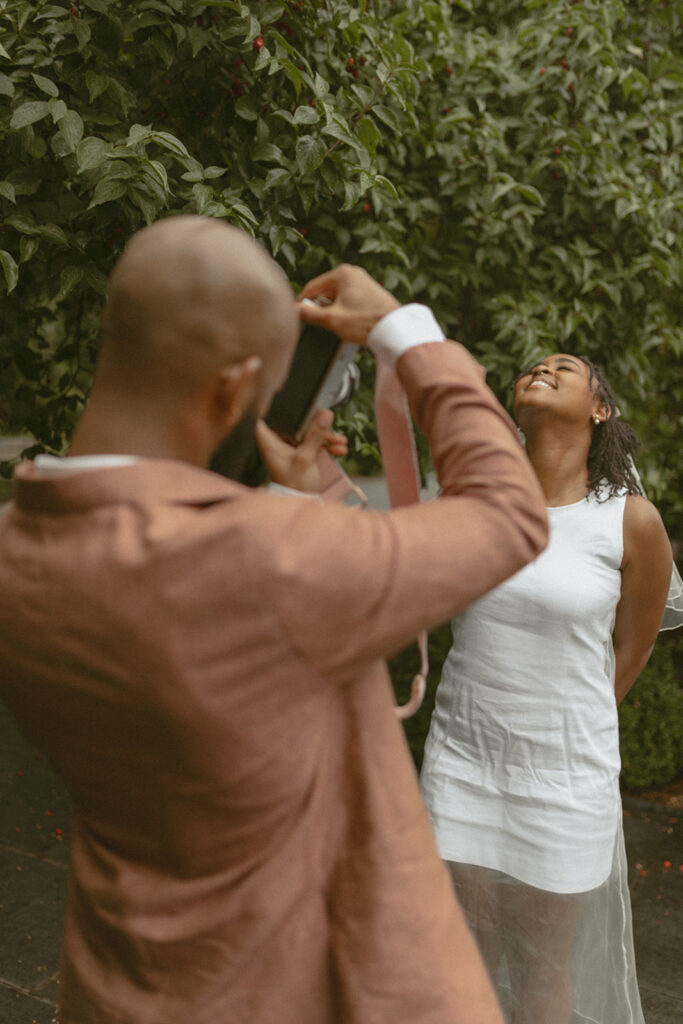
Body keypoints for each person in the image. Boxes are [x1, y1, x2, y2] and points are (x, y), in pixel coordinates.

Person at [0, 215, 548, 1024]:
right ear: (231, 388)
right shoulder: (264, 561)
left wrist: (294, 497)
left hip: (121, 986)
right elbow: (509, 513)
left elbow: (229, 670)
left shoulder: (20, 551)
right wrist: (404, 330)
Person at [420, 352, 673, 1024]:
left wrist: (571, 722)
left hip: (564, 777)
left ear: (600, 409)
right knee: (461, 960)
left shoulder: (627, 522)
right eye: (532, 365)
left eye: (564, 366)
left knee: (538, 969)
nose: (542, 367)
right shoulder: (468, 496)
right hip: (462, 763)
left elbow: (634, 646)